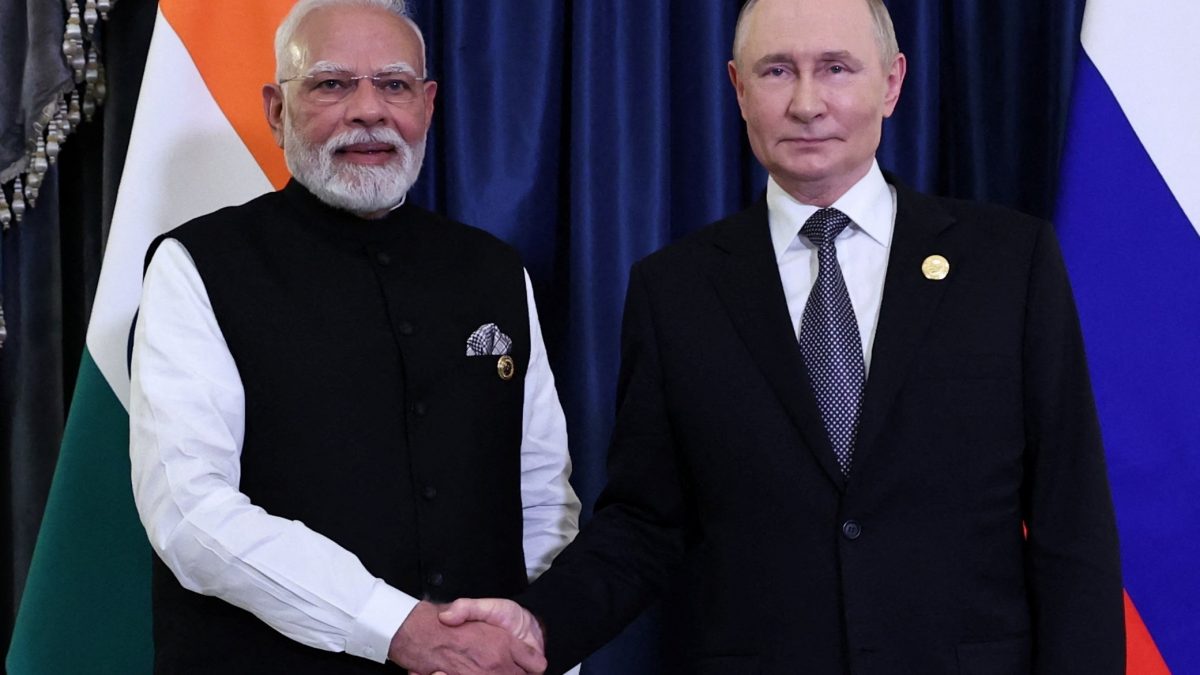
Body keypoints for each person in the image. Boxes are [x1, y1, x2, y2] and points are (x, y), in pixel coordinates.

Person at [440, 0, 1125, 672]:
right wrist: (539, 625)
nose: (806, 103)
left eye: (835, 68)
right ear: (738, 89)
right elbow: (645, 525)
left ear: (891, 83)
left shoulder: (1009, 262)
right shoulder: (674, 289)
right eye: (776, 71)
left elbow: (1072, 523)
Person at [128, 1, 579, 673]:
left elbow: (542, 496)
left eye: (394, 84)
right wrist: (395, 626)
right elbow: (190, 513)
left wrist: (542, 645)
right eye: (331, 84)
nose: (369, 110)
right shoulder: (197, 265)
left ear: (426, 105)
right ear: (277, 110)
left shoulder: (493, 270)